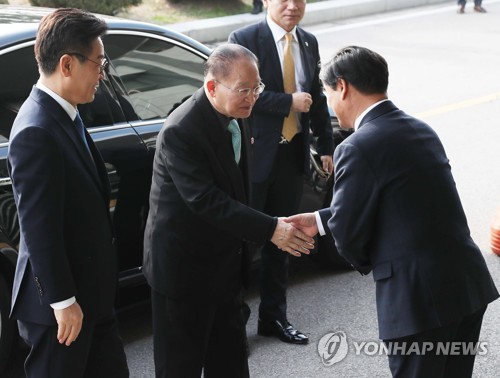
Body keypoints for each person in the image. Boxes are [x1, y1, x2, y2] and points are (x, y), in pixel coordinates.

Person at [286, 46, 499, 377]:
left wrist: (366, 256)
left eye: (328, 93)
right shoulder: (420, 129)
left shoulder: (356, 146)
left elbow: (350, 234)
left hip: (419, 301)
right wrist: (319, 220)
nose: (329, 102)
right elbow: (406, 201)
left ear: (342, 87)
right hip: (466, 286)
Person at [142, 43, 314, 378]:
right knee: (181, 367)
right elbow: (206, 200)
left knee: (232, 364)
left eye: (257, 88)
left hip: (225, 268)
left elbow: (237, 190)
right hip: (183, 273)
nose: (252, 97)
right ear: (212, 87)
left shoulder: (239, 115)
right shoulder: (182, 130)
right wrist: (271, 229)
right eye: (244, 90)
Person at [7, 8, 129, 378]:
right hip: (62, 311)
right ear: (67, 64)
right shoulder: (35, 131)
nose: (102, 73)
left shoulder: (65, 112)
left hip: (92, 297)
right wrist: (63, 301)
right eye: (99, 62)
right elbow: (38, 228)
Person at [229, 0, 334, 345]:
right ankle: (233, 327)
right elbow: (240, 96)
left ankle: (274, 318)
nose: (292, 6)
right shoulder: (245, 38)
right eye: (283, 0)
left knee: (285, 238)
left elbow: (315, 96)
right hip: (256, 157)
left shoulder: (307, 41)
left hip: (292, 156)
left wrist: (327, 144)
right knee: (243, 242)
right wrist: (288, 102)